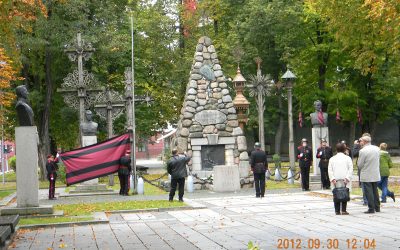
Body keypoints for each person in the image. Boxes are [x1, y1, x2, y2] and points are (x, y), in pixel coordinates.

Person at [357, 135, 381, 213]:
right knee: (375, 190)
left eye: (361, 141)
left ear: (365, 142)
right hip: (375, 172)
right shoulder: (377, 148)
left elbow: (360, 164)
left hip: (366, 173)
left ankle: (371, 208)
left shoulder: (363, 151)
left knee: (368, 191)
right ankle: (377, 207)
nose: (360, 142)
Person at [328, 143, 353, 215]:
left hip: (335, 179)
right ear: (344, 149)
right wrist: (347, 178)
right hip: (345, 179)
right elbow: (350, 169)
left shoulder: (332, 159)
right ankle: (344, 210)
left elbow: (330, 170)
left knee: (336, 194)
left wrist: (332, 178)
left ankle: (337, 210)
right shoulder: (348, 158)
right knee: (345, 193)